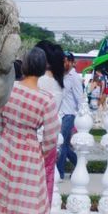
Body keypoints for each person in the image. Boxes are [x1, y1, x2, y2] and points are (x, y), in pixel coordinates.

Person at [0, 46, 60, 214]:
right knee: (26, 204)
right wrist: (39, 152)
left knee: (0, 200)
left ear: (24, 65)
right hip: (29, 156)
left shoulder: (11, 89)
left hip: (6, 150)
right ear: (44, 69)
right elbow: (51, 138)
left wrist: (7, 139)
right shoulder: (46, 100)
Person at [35, 41, 64, 201]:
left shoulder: (41, 81)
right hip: (48, 142)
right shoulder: (58, 83)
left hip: (37, 141)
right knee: (45, 188)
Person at [57, 51, 85, 178]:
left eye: (65, 61)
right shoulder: (62, 75)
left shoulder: (74, 77)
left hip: (69, 114)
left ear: (70, 62)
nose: (63, 63)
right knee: (66, 146)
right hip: (61, 114)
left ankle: (60, 173)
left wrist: (81, 117)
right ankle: (81, 164)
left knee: (61, 144)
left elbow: (80, 98)